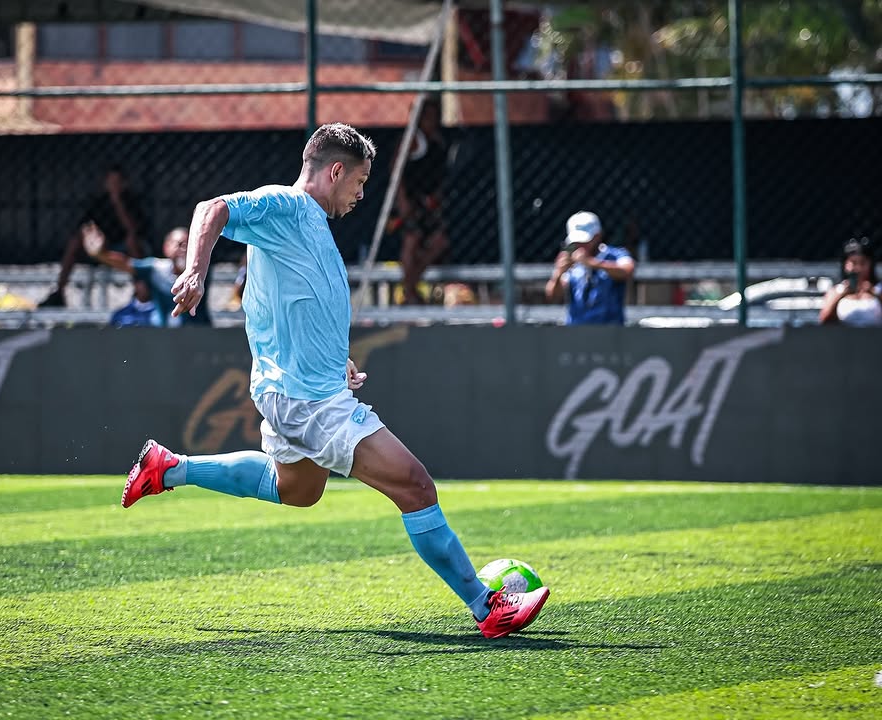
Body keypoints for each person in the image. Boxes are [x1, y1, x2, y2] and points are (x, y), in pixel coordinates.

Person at [120, 123, 548, 638]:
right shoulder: (287, 205)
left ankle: (170, 468)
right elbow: (211, 209)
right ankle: (486, 606)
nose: (361, 195)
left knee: (298, 489)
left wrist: (334, 359)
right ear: (336, 170)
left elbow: (300, 302)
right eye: (360, 182)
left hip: (298, 390)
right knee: (415, 485)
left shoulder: (310, 225)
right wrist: (194, 271)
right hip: (308, 401)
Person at [40, 165, 147, 308]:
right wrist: (95, 237)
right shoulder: (99, 202)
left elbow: (133, 229)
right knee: (75, 240)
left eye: (117, 182)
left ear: (124, 184)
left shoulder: (131, 201)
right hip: (101, 247)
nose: (113, 186)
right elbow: (85, 225)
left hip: (123, 248)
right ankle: (59, 291)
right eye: (110, 182)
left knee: (131, 240)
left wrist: (117, 202)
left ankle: (142, 290)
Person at [82, 223, 210, 328]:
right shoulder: (157, 269)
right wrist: (100, 254)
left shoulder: (201, 270)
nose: (184, 249)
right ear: (166, 247)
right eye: (179, 244)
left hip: (198, 334)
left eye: (189, 245)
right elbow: (126, 263)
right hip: (164, 336)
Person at [391, 100, 450, 305]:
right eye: (427, 117)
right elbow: (396, 170)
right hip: (409, 202)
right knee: (412, 238)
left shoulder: (438, 142)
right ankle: (410, 292)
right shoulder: (412, 140)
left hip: (427, 205)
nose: (432, 121)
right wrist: (402, 201)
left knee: (440, 241)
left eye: (435, 117)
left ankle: (410, 285)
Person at [545, 211, 636, 325]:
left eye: (585, 241)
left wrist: (591, 263)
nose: (580, 245)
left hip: (609, 331)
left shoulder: (615, 254)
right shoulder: (568, 258)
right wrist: (558, 274)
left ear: (598, 236)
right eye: (576, 241)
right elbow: (553, 296)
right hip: (576, 331)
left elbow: (628, 270)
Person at [819, 237, 881, 327]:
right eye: (854, 263)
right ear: (845, 265)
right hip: (844, 335)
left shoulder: (879, 289)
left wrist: (875, 294)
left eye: (863, 263)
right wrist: (840, 296)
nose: (858, 268)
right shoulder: (836, 291)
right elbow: (824, 320)